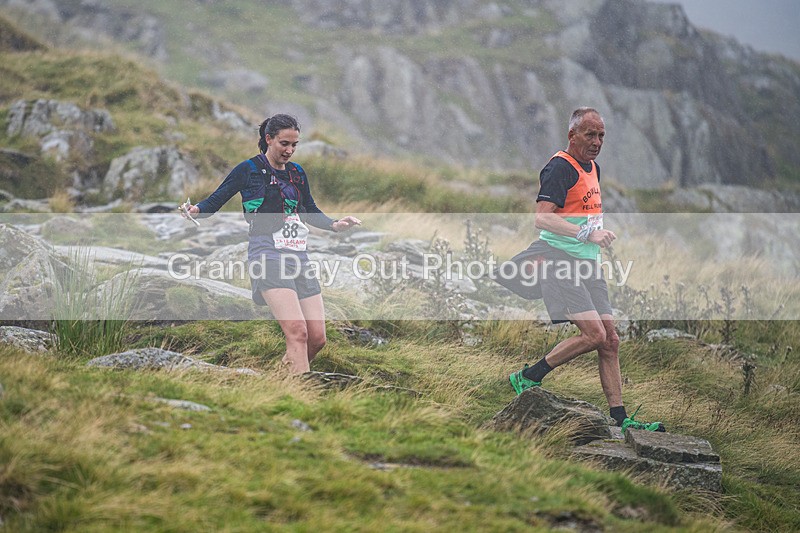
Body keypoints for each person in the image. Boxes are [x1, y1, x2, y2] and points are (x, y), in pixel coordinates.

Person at [508, 107, 664, 434]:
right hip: (559, 260)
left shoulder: (593, 167)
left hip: (588, 262)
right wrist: (587, 233)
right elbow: (542, 217)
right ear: (572, 135)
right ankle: (527, 377)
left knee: (610, 340)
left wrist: (594, 239)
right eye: (590, 135)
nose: (596, 142)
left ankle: (620, 419)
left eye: (601, 135)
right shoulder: (558, 168)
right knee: (593, 335)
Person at [182, 114, 361, 374]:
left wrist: (335, 225)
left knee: (317, 338)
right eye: (284, 143)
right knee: (297, 331)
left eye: (294, 145)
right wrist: (195, 210)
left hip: (299, 256)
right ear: (268, 139)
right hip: (267, 253)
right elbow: (216, 200)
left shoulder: (297, 173)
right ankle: (301, 393)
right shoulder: (249, 169)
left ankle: (280, 377)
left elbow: (309, 210)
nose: (289, 150)